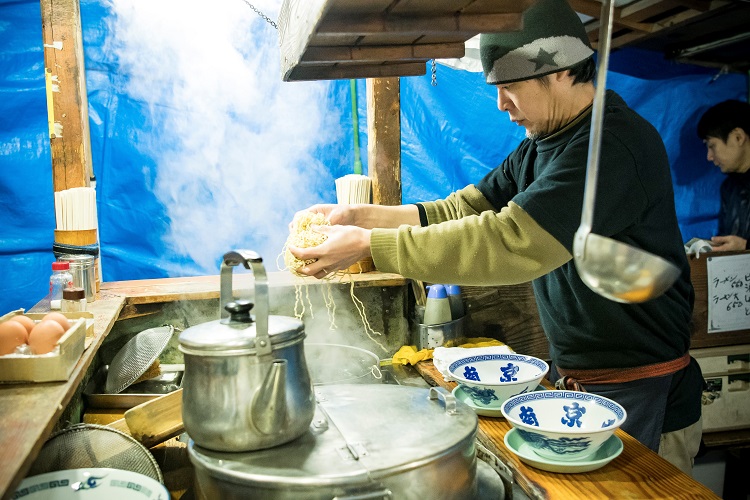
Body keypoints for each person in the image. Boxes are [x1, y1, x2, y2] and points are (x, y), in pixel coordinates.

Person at [289, 0, 703, 475]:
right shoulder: (543, 144)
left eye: (509, 88)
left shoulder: (610, 147)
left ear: (563, 71)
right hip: (584, 379)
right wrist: (361, 216)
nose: (502, 106)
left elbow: (510, 240)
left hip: (641, 387)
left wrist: (369, 247)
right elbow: (461, 208)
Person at [697, 99, 750, 251]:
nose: (709, 156)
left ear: (738, 137)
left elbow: (743, 245)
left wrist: (746, 246)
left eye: (712, 145)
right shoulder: (729, 188)